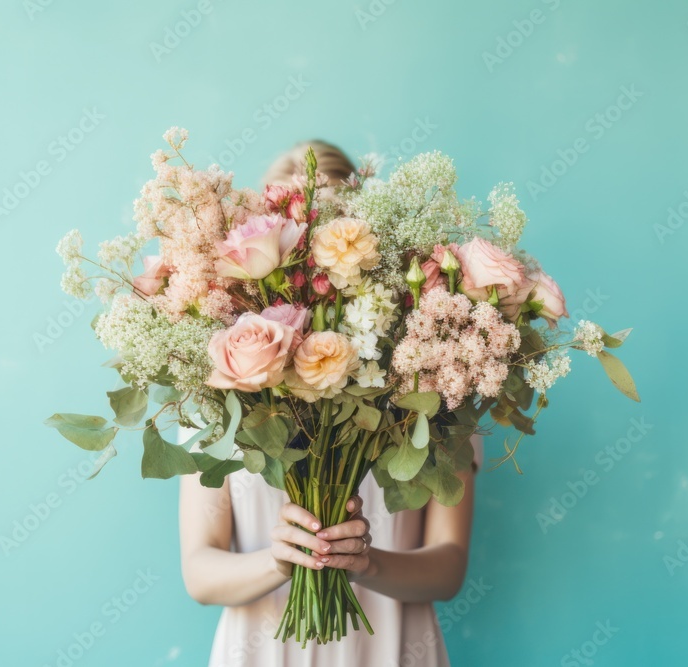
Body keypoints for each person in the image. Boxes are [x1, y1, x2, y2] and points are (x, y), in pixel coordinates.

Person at [178, 141, 483, 667]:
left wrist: (366, 562)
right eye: (293, 233)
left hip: (393, 651)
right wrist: (278, 562)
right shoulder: (221, 382)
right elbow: (200, 573)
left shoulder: (435, 383)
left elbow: (448, 569)